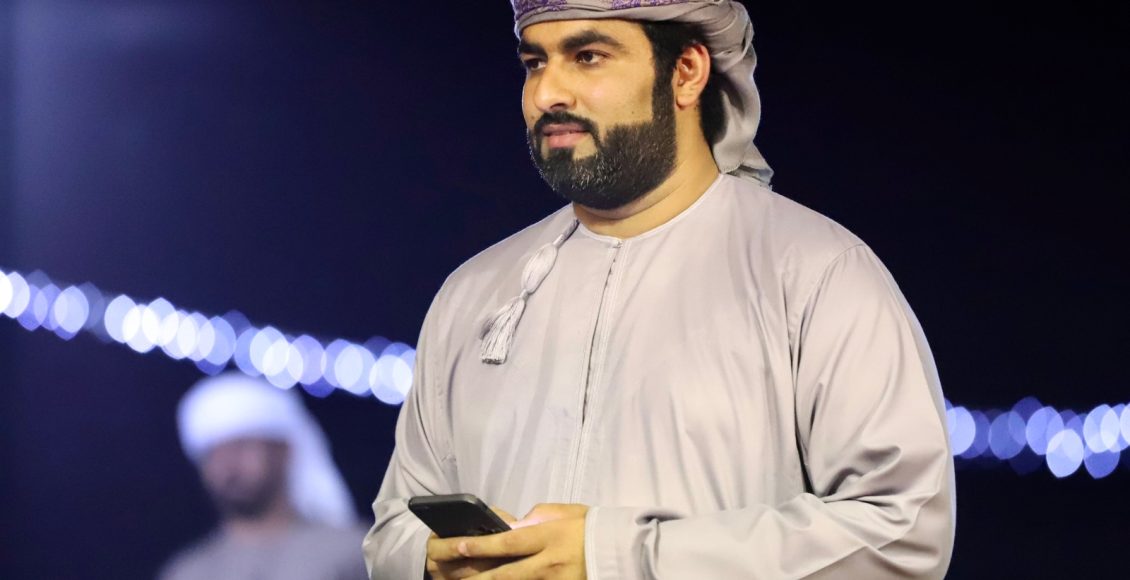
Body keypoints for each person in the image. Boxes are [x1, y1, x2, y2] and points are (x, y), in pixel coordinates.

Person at [364, 1, 955, 578]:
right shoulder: (475, 292)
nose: (547, 94)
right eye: (535, 63)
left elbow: (902, 532)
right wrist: (435, 558)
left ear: (687, 72)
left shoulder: (814, 273)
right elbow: (393, 527)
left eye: (588, 56)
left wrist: (618, 557)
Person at [160, 372, 369, 580]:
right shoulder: (188, 571)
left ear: (283, 451)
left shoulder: (350, 552)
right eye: (214, 455)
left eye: (241, 447)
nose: (228, 466)